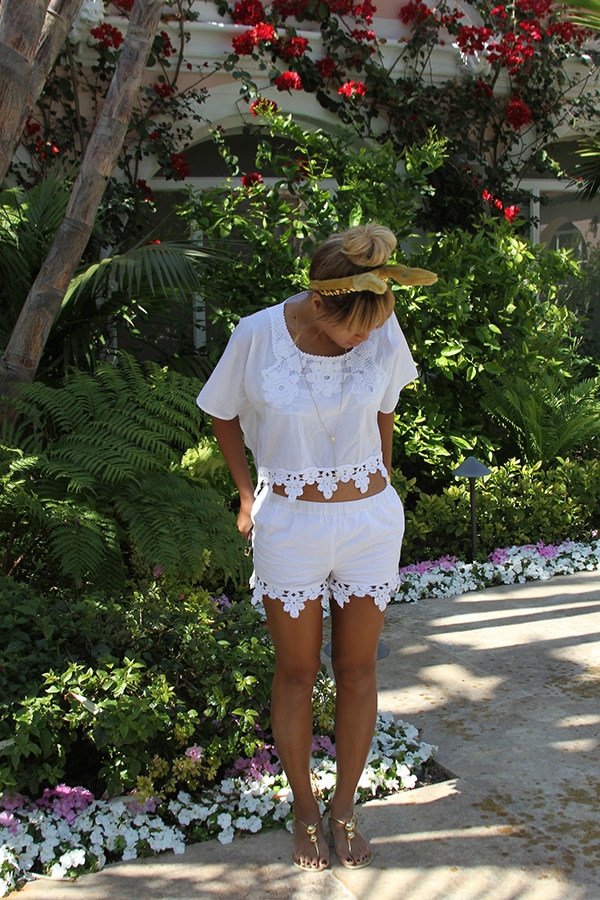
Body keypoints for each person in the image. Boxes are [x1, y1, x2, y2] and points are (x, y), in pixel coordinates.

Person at [196, 223, 436, 871]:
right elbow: (220, 411)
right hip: (290, 527)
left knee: (358, 670)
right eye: (352, 327)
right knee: (298, 672)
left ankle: (345, 806)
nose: (366, 338)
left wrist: (384, 482)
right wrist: (246, 494)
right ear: (321, 302)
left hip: (368, 525)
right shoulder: (257, 335)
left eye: (374, 326)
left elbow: (385, 407)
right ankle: (305, 807)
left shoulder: (378, 321)